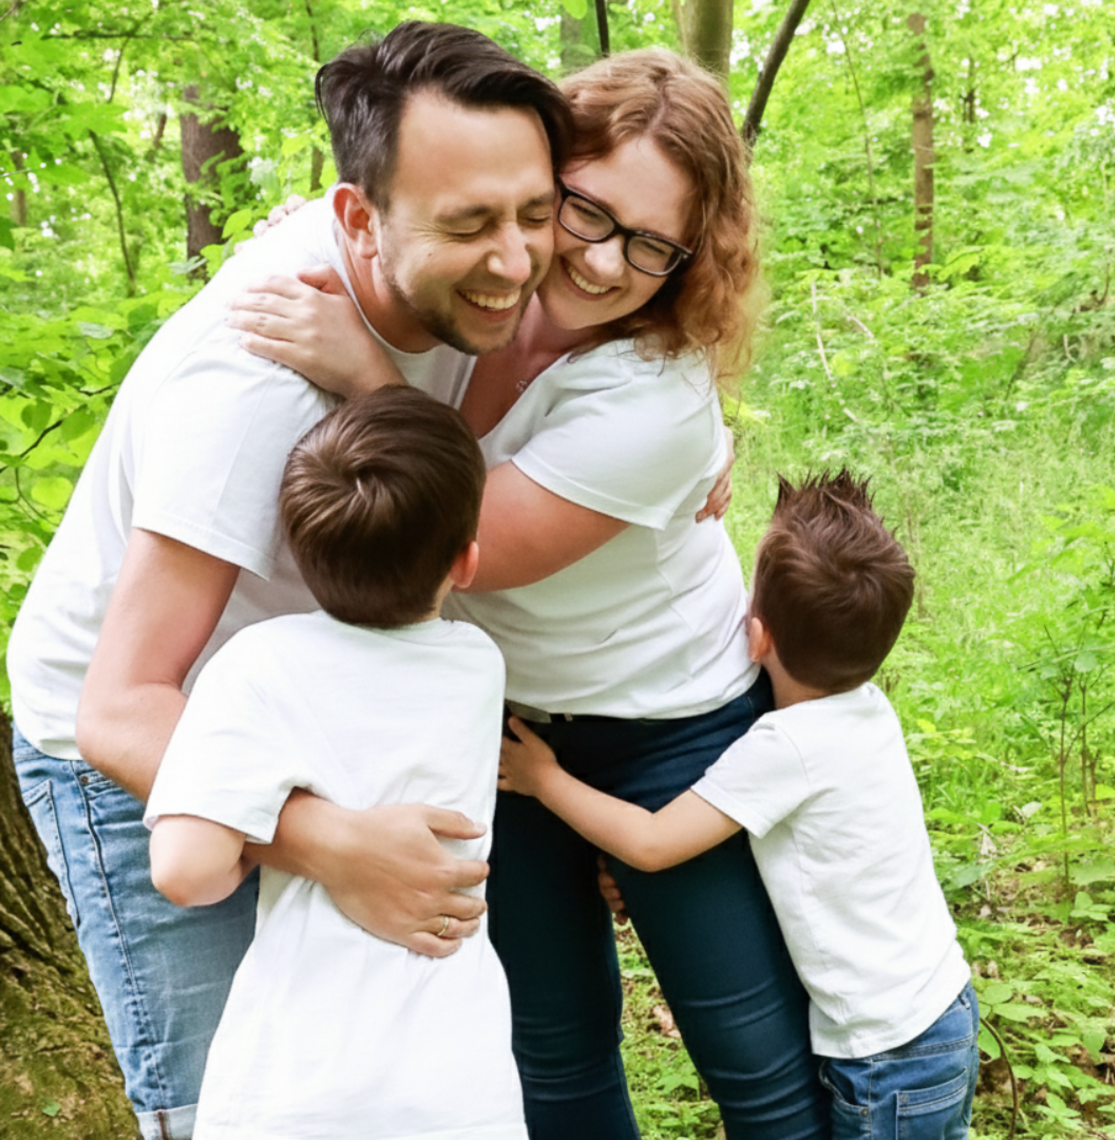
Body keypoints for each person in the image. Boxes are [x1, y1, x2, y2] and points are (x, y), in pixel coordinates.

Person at [228, 49, 830, 1140]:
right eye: (586, 211)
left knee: (752, 1060)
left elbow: (465, 544)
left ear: (692, 255)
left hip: (672, 729)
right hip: (502, 729)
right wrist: (314, 243)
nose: (601, 261)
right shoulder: (486, 288)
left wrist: (363, 373)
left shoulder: (655, 398)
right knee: (551, 1048)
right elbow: (385, 235)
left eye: (651, 245)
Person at [6, 23, 572, 1139]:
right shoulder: (250, 390)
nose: (516, 262)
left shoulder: (460, 266)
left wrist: (694, 436)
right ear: (358, 219)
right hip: (146, 743)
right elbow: (118, 707)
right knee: (230, 1103)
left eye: (536, 214)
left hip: (316, 707)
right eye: (471, 226)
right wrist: (326, 841)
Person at [498, 471, 979, 1140]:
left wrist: (544, 780)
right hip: (941, 1015)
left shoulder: (783, 748)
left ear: (755, 638)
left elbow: (654, 842)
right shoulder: (869, 711)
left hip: (884, 1054)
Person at [146, 387, 525, 1140]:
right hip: (458, 1079)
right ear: (467, 561)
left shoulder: (256, 665)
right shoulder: (478, 664)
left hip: (297, 1081)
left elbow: (185, 871)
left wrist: (254, 833)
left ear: (293, 550)